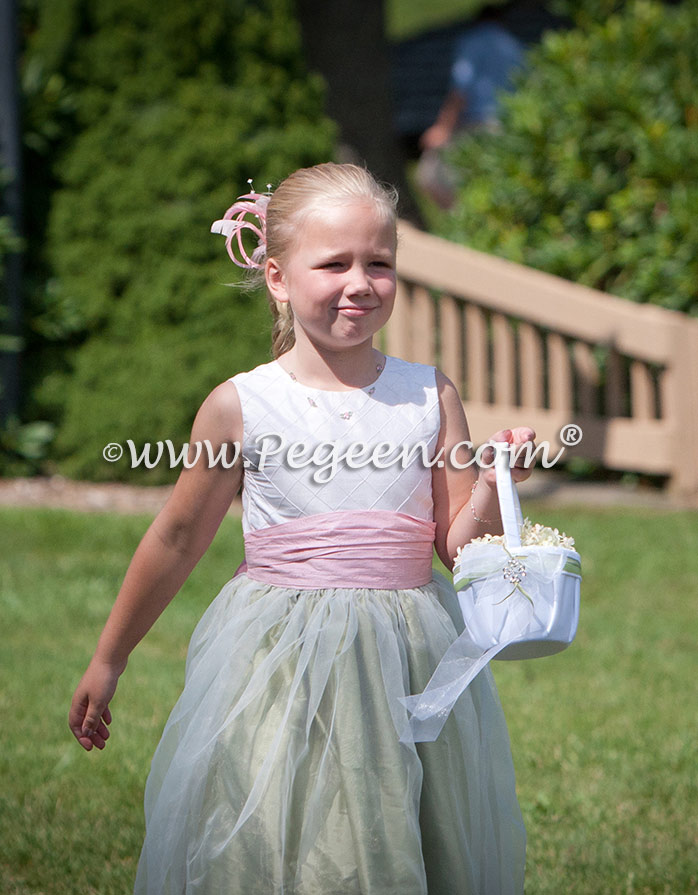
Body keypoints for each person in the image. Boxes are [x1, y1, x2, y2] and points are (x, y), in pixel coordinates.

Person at [69, 162, 534, 894]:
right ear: (280, 278)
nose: (360, 282)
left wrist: (494, 482)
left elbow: (457, 546)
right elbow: (178, 537)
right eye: (335, 263)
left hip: (408, 658)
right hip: (284, 664)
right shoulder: (243, 404)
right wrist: (109, 657)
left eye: (378, 263)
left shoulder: (428, 393)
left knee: (406, 830)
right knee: (293, 835)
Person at [417, 6, 525, 208]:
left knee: (429, 174)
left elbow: (461, 89)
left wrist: (443, 128)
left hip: (477, 126)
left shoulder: (472, 42)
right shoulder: (515, 46)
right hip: (509, 128)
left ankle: (459, 218)